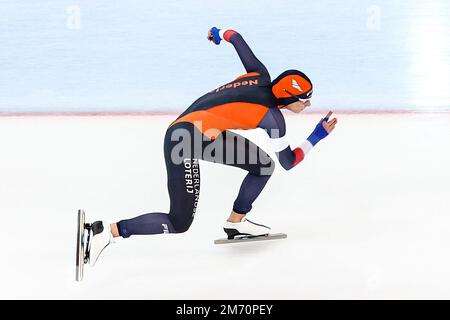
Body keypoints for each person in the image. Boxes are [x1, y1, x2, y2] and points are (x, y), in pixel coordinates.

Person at [87, 27, 337, 265]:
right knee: (178, 221)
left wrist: (217, 33)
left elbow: (236, 37)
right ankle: (106, 231)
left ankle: (236, 223)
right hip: (183, 141)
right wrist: (316, 136)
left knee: (262, 166)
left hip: (202, 133)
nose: (308, 104)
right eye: (305, 99)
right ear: (288, 97)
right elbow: (289, 162)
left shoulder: (260, 74)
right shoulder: (272, 118)